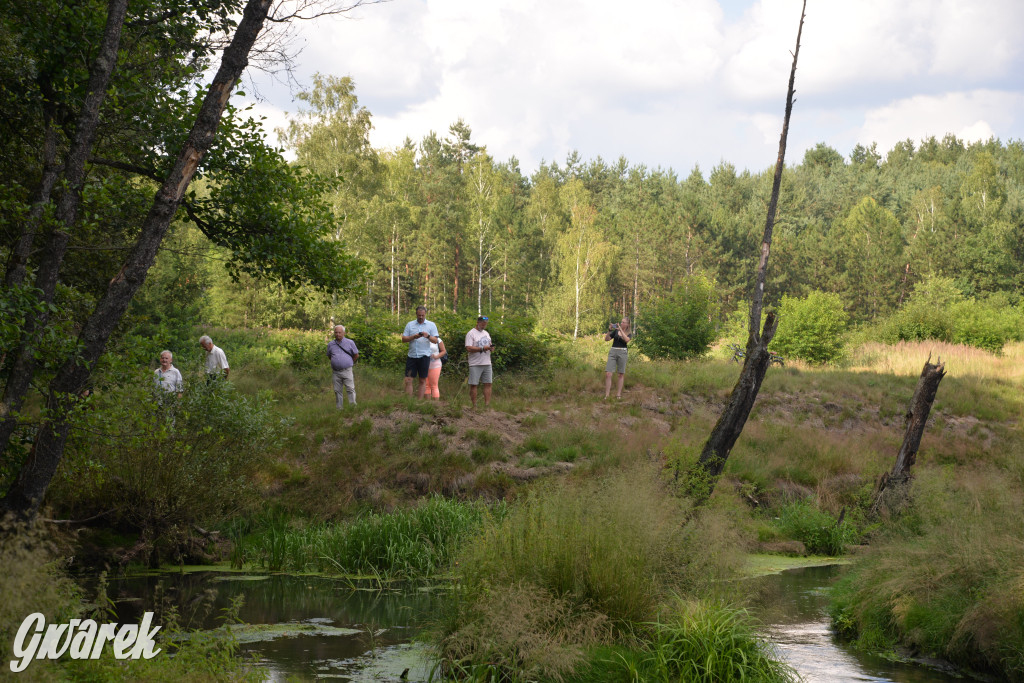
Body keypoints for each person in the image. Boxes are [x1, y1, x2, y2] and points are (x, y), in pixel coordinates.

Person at [401, 306, 438, 399]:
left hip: (424, 356)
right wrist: (414, 336)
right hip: (412, 356)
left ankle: (419, 401)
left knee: (422, 380)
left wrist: (428, 336)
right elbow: (403, 339)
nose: (421, 317)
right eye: (419, 315)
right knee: (408, 379)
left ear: (425, 314)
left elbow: (435, 340)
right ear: (416, 314)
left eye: (422, 315)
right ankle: (408, 401)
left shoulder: (431, 325)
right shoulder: (410, 324)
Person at [465, 315, 494, 409]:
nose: (484, 325)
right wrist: (482, 348)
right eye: (482, 323)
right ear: (478, 322)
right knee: (474, 384)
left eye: (485, 324)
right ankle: (474, 406)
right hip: (475, 363)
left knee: (488, 383)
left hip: (487, 362)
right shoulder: (471, 333)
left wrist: (491, 348)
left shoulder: (486, 333)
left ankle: (487, 405)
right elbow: (468, 348)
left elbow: (488, 345)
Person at [327, 324, 359, 408]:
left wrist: (348, 362)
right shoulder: (330, 344)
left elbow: (356, 355)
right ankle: (339, 408)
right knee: (337, 390)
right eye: (336, 332)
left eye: (339, 332)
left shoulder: (350, 342)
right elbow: (329, 356)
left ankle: (353, 407)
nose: (338, 334)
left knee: (350, 389)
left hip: (347, 370)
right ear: (334, 333)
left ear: (344, 333)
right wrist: (337, 362)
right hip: (336, 372)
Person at [604, 317, 631, 400]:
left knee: (620, 374)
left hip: (622, 352)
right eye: (621, 322)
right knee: (608, 374)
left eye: (623, 322)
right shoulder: (616, 331)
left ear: (627, 324)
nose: (621, 323)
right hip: (613, 351)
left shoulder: (629, 333)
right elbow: (606, 339)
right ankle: (607, 395)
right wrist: (609, 330)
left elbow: (626, 340)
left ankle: (618, 394)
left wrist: (620, 330)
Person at [424, 336, 447, 400]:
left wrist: (436, 356)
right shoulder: (422, 339)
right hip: (424, 364)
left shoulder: (438, 339)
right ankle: (427, 404)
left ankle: (436, 405)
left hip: (435, 364)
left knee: (434, 385)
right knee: (426, 385)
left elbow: (444, 351)